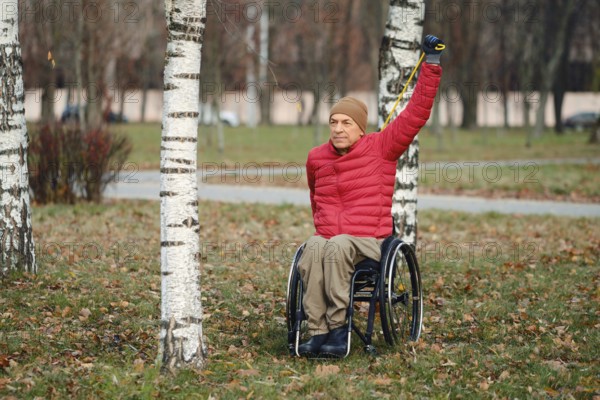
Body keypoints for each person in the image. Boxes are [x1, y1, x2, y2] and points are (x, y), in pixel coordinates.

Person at [297, 35, 444, 358]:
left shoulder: (381, 148)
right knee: (313, 246)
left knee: (336, 245)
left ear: (360, 128)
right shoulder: (316, 157)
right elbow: (315, 198)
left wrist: (431, 64)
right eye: (333, 122)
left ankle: (339, 330)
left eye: (346, 123)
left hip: (369, 241)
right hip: (331, 239)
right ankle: (317, 332)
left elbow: (416, 114)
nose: (337, 128)